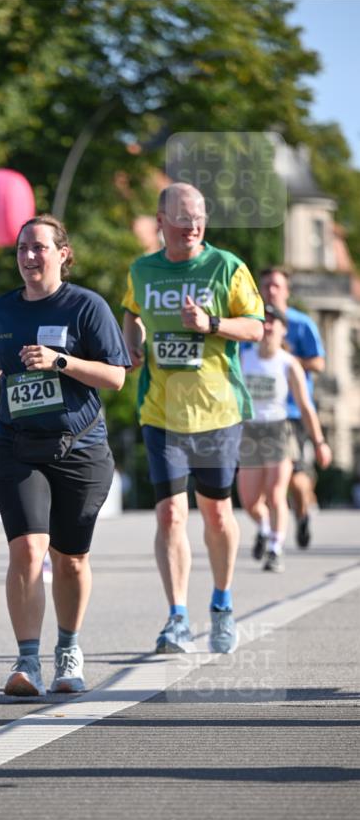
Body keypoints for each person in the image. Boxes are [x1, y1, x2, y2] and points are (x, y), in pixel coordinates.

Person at [0, 214, 129, 696]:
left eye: (39, 247)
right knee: (28, 548)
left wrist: (61, 362)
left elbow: (116, 377)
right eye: (22, 249)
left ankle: (68, 650)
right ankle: (27, 659)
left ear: (62, 254)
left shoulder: (86, 307)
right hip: (17, 446)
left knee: (70, 559)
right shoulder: (3, 309)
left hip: (79, 447)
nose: (29, 256)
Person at [122, 183, 263, 655]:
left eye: (199, 218)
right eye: (183, 218)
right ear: (161, 221)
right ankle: (177, 616)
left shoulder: (226, 267)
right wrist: (133, 342)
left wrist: (213, 325)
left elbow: (257, 326)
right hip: (161, 412)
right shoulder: (143, 270)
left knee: (218, 514)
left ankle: (222, 604)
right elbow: (131, 311)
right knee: (170, 513)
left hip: (218, 411)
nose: (193, 226)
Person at [237, 304, 331, 573]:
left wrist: (320, 442)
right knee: (251, 502)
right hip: (250, 430)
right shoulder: (244, 357)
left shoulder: (289, 364)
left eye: (272, 322)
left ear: (283, 330)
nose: (267, 327)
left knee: (276, 494)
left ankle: (276, 549)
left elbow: (305, 406)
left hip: (279, 429)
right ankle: (265, 530)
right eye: (263, 322)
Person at [259, 267, 326, 550]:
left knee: (296, 481)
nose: (271, 291)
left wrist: (287, 356)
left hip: (293, 412)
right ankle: (266, 531)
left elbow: (319, 363)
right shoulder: (255, 323)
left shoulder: (301, 323)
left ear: (286, 290)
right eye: (266, 286)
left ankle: (301, 513)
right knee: (260, 480)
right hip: (259, 413)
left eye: (276, 285)